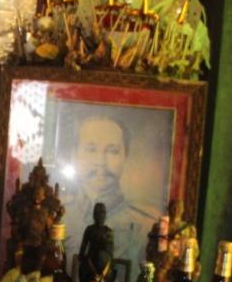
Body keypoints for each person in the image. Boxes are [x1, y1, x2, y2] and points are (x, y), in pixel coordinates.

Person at [64, 114, 161, 268]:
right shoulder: (58, 217)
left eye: (113, 151)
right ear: (74, 154)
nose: (101, 162)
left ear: (125, 156)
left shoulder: (148, 225)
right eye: (91, 150)